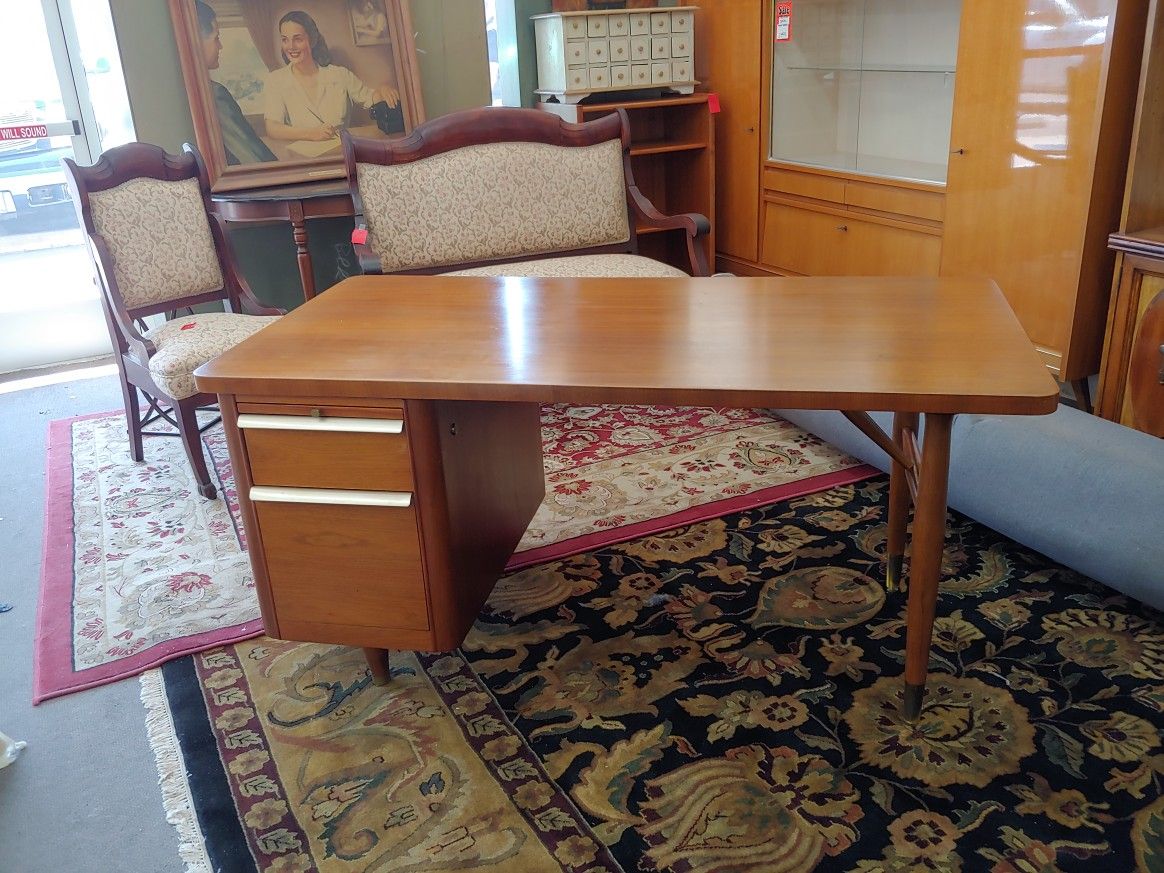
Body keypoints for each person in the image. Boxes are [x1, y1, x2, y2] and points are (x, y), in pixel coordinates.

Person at [263, 10, 400, 145]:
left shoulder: (340, 75)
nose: (291, 47)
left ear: (312, 40)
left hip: (343, 152)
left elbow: (371, 98)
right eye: (285, 40)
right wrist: (311, 134)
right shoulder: (276, 80)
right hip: (303, 159)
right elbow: (272, 128)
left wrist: (383, 89)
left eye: (297, 39)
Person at [195, 1, 277, 165]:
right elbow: (256, 159)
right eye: (216, 38)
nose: (220, 46)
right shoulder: (214, 94)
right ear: (196, 41)